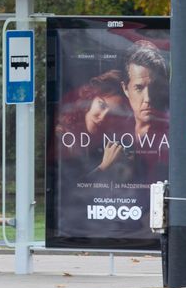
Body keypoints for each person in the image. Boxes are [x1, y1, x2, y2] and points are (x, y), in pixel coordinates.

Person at [55, 70, 134, 177]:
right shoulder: (65, 135)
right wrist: (105, 166)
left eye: (112, 114)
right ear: (90, 98)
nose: (102, 117)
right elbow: (71, 188)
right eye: (102, 105)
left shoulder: (106, 141)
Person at [119, 40, 170, 183]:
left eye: (154, 87)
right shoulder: (114, 129)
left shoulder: (173, 133)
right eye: (139, 88)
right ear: (125, 89)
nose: (148, 98)